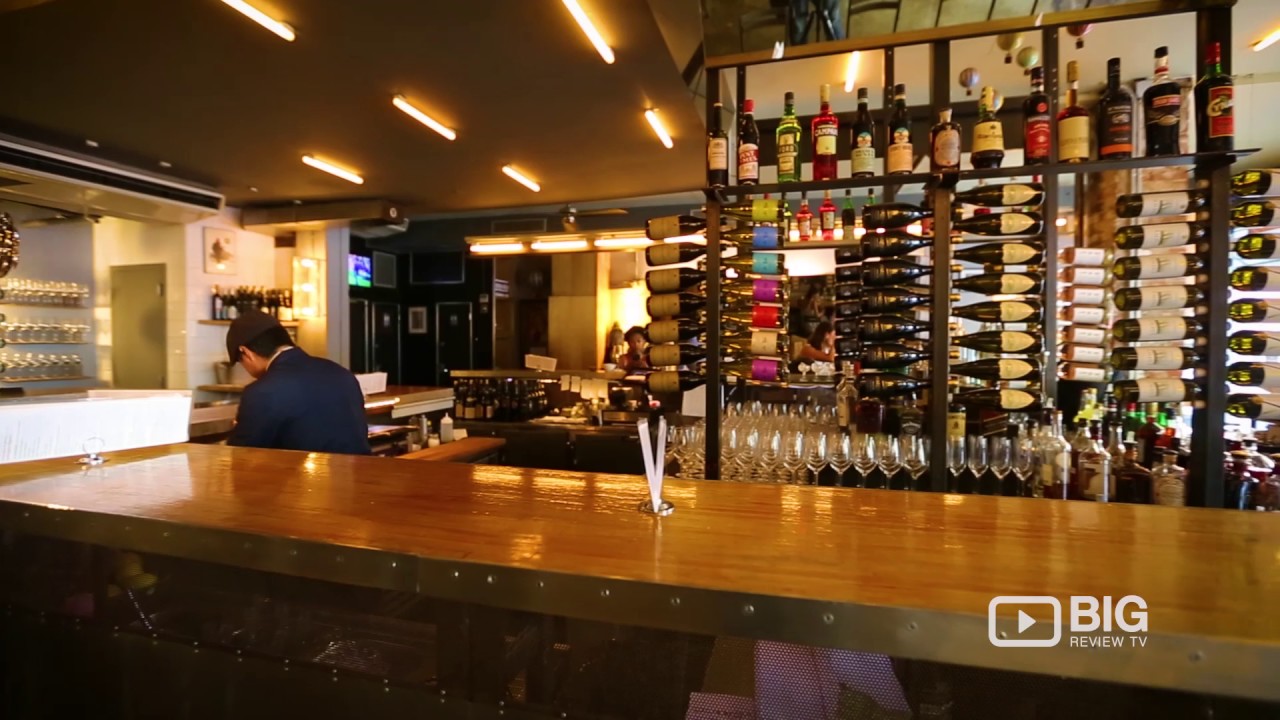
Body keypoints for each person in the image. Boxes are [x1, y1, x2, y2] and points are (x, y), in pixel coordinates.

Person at [224, 312, 371, 454]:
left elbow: (241, 456)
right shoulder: (341, 373)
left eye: (240, 362)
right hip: (361, 470)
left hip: (309, 472)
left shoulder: (261, 391)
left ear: (246, 352)